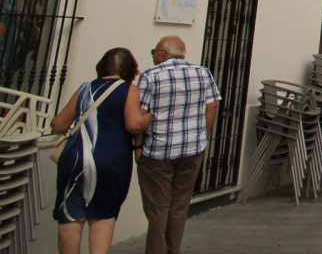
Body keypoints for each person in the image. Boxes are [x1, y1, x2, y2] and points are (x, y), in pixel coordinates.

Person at [51, 48, 151, 254]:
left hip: (74, 158)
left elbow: (58, 125)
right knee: (102, 217)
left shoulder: (85, 88)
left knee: (70, 216)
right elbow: (133, 124)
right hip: (110, 161)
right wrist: (147, 118)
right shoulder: (128, 89)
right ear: (131, 70)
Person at [136, 36, 221, 254]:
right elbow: (211, 106)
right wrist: (203, 134)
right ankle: (173, 249)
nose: (153, 55)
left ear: (163, 53)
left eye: (154, 51)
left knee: (158, 208)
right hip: (192, 148)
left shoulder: (151, 76)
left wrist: (137, 147)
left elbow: (141, 114)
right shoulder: (203, 73)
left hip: (158, 150)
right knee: (179, 205)